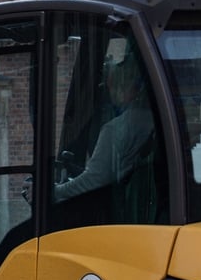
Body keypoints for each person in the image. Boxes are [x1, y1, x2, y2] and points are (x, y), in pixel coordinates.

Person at [55, 44, 156, 202]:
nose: (109, 94)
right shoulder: (151, 119)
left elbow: (94, 180)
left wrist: (55, 192)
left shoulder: (117, 129)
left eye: (111, 88)